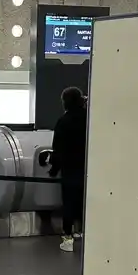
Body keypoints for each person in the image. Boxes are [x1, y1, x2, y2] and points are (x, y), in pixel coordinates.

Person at [49, 86, 88, 253]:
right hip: (88, 169)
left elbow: (58, 149)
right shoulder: (89, 119)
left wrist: (53, 169)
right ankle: (84, 232)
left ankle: (68, 238)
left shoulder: (63, 122)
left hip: (70, 169)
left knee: (69, 204)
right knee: (85, 202)